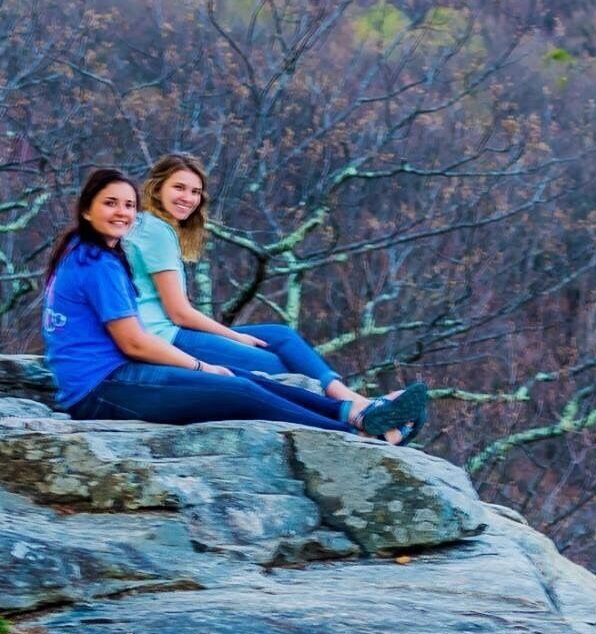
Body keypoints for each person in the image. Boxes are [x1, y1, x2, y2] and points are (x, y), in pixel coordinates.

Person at [40, 168, 426, 439]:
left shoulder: (84, 252)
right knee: (240, 390)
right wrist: (202, 365)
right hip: (101, 391)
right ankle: (352, 433)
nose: (123, 213)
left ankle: (356, 412)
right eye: (110, 204)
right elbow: (134, 342)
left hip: (115, 377)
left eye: (128, 205)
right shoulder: (96, 263)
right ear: (87, 209)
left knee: (246, 381)